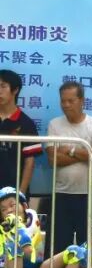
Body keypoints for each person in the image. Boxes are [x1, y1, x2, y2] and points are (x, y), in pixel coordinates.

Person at [46, 81, 92, 250]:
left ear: (82, 101)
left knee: (88, 245)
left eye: (70, 101)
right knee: (57, 246)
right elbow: (53, 159)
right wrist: (85, 153)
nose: (66, 105)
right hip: (61, 194)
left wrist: (70, 150)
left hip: (90, 194)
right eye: (63, 101)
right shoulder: (54, 124)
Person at [0, 69, 41, 199]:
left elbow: (30, 162)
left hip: (13, 193)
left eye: (3, 86)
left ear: (15, 90)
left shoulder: (26, 123)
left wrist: (20, 195)